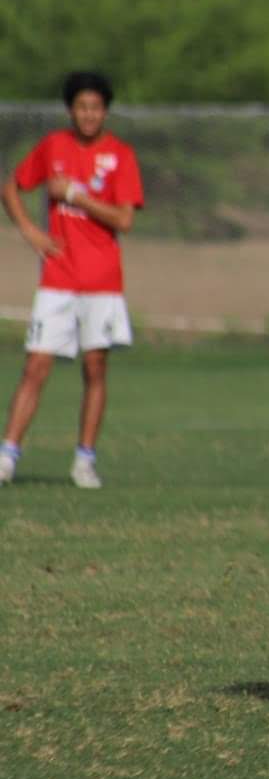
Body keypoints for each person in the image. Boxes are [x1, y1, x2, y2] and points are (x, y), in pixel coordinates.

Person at [0, 70, 143, 491]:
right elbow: (11, 189)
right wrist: (30, 231)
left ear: (105, 112)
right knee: (36, 366)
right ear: (70, 110)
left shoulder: (120, 155)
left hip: (102, 280)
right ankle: (7, 456)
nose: (88, 115)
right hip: (58, 278)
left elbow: (124, 219)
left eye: (96, 108)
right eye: (81, 107)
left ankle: (85, 460)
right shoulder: (53, 147)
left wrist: (77, 196)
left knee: (95, 367)